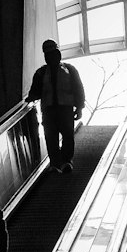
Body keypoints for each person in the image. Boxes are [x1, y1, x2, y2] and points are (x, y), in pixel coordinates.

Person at [25, 38, 86, 174]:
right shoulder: (40, 73)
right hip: (48, 109)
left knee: (67, 135)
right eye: (49, 54)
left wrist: (80, 107)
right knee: (51, 137)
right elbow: (34, 91)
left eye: (54, 53)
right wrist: (31, 97)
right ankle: (55, 163)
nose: (52, 57)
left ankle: (66, 161)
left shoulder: (69, 69)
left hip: (65, 108)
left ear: (58, 54)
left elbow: (78, 88)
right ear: (46, 57)